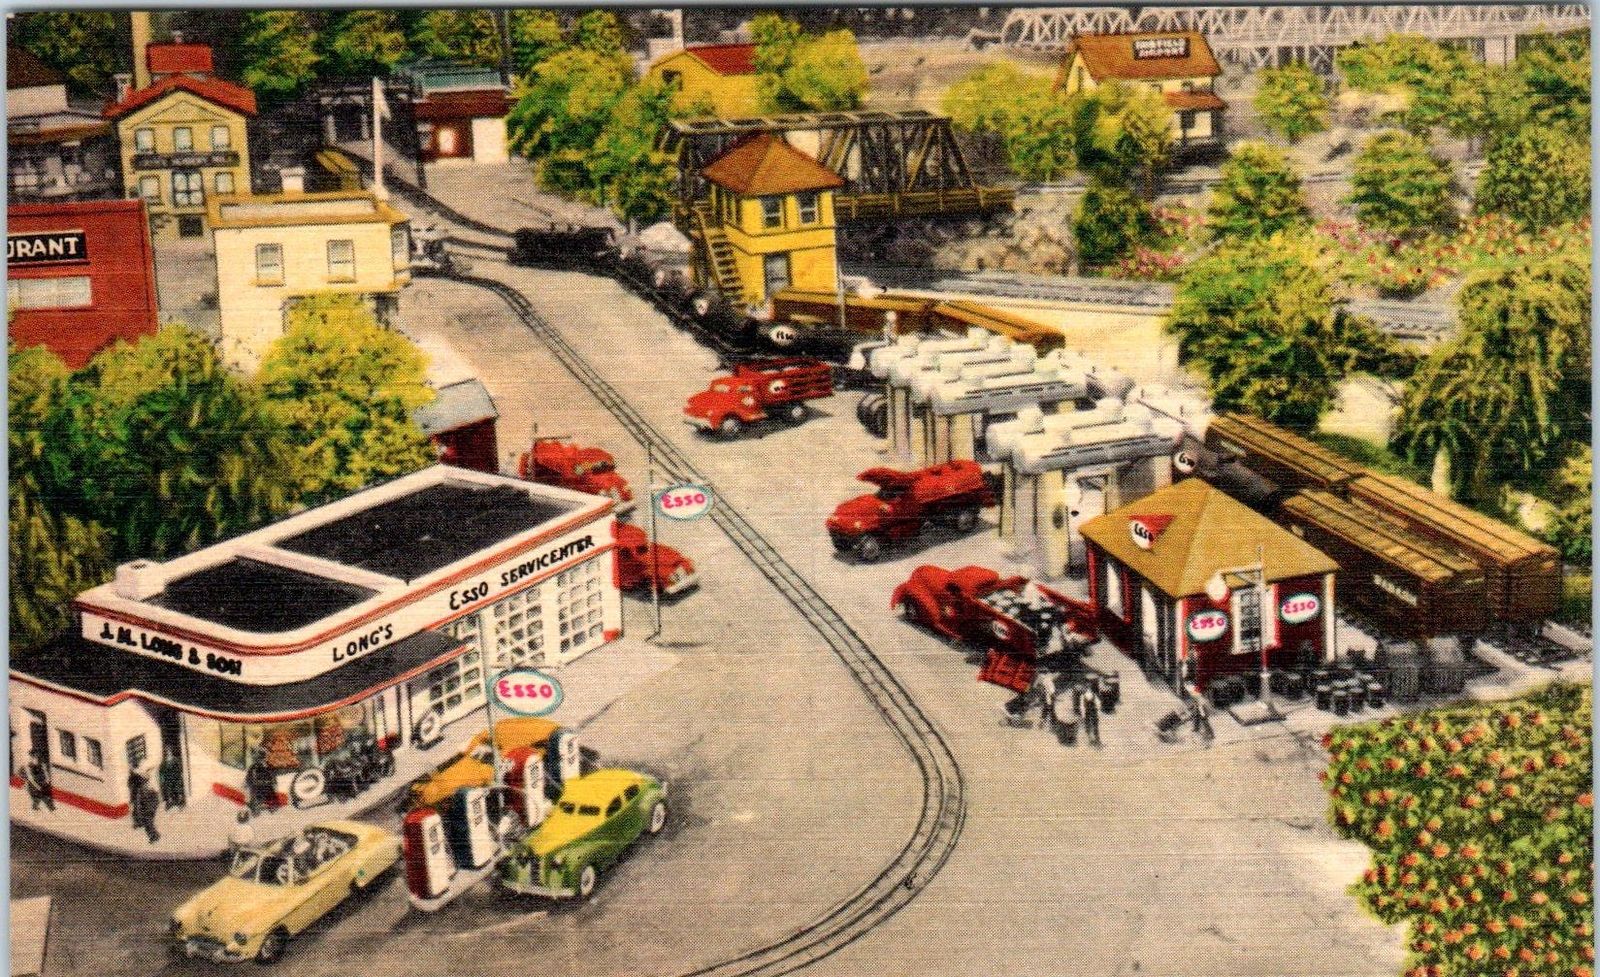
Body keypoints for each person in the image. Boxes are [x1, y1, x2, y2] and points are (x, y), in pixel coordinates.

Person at [129, 769, 160, 843]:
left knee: (148, 822)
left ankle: (154, 836)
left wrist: (150, 808)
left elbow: (152, 799)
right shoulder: (141, 789)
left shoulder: (146, 789)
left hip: (150, 805)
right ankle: (153, 835)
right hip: (149, 805)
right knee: (148, 822)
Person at [158, 745, 185, 810]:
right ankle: (170, 804)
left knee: (178, 791)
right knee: (169, 792)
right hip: (168, 780)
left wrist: (180, 777)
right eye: (167, 752)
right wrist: (162, 780)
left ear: (171, 752)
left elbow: (179, 769)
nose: (168, 753)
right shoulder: (164, 763)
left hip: (176, 778)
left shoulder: (175, 760)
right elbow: (161, 772)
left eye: (169, 751)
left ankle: (180, 804)